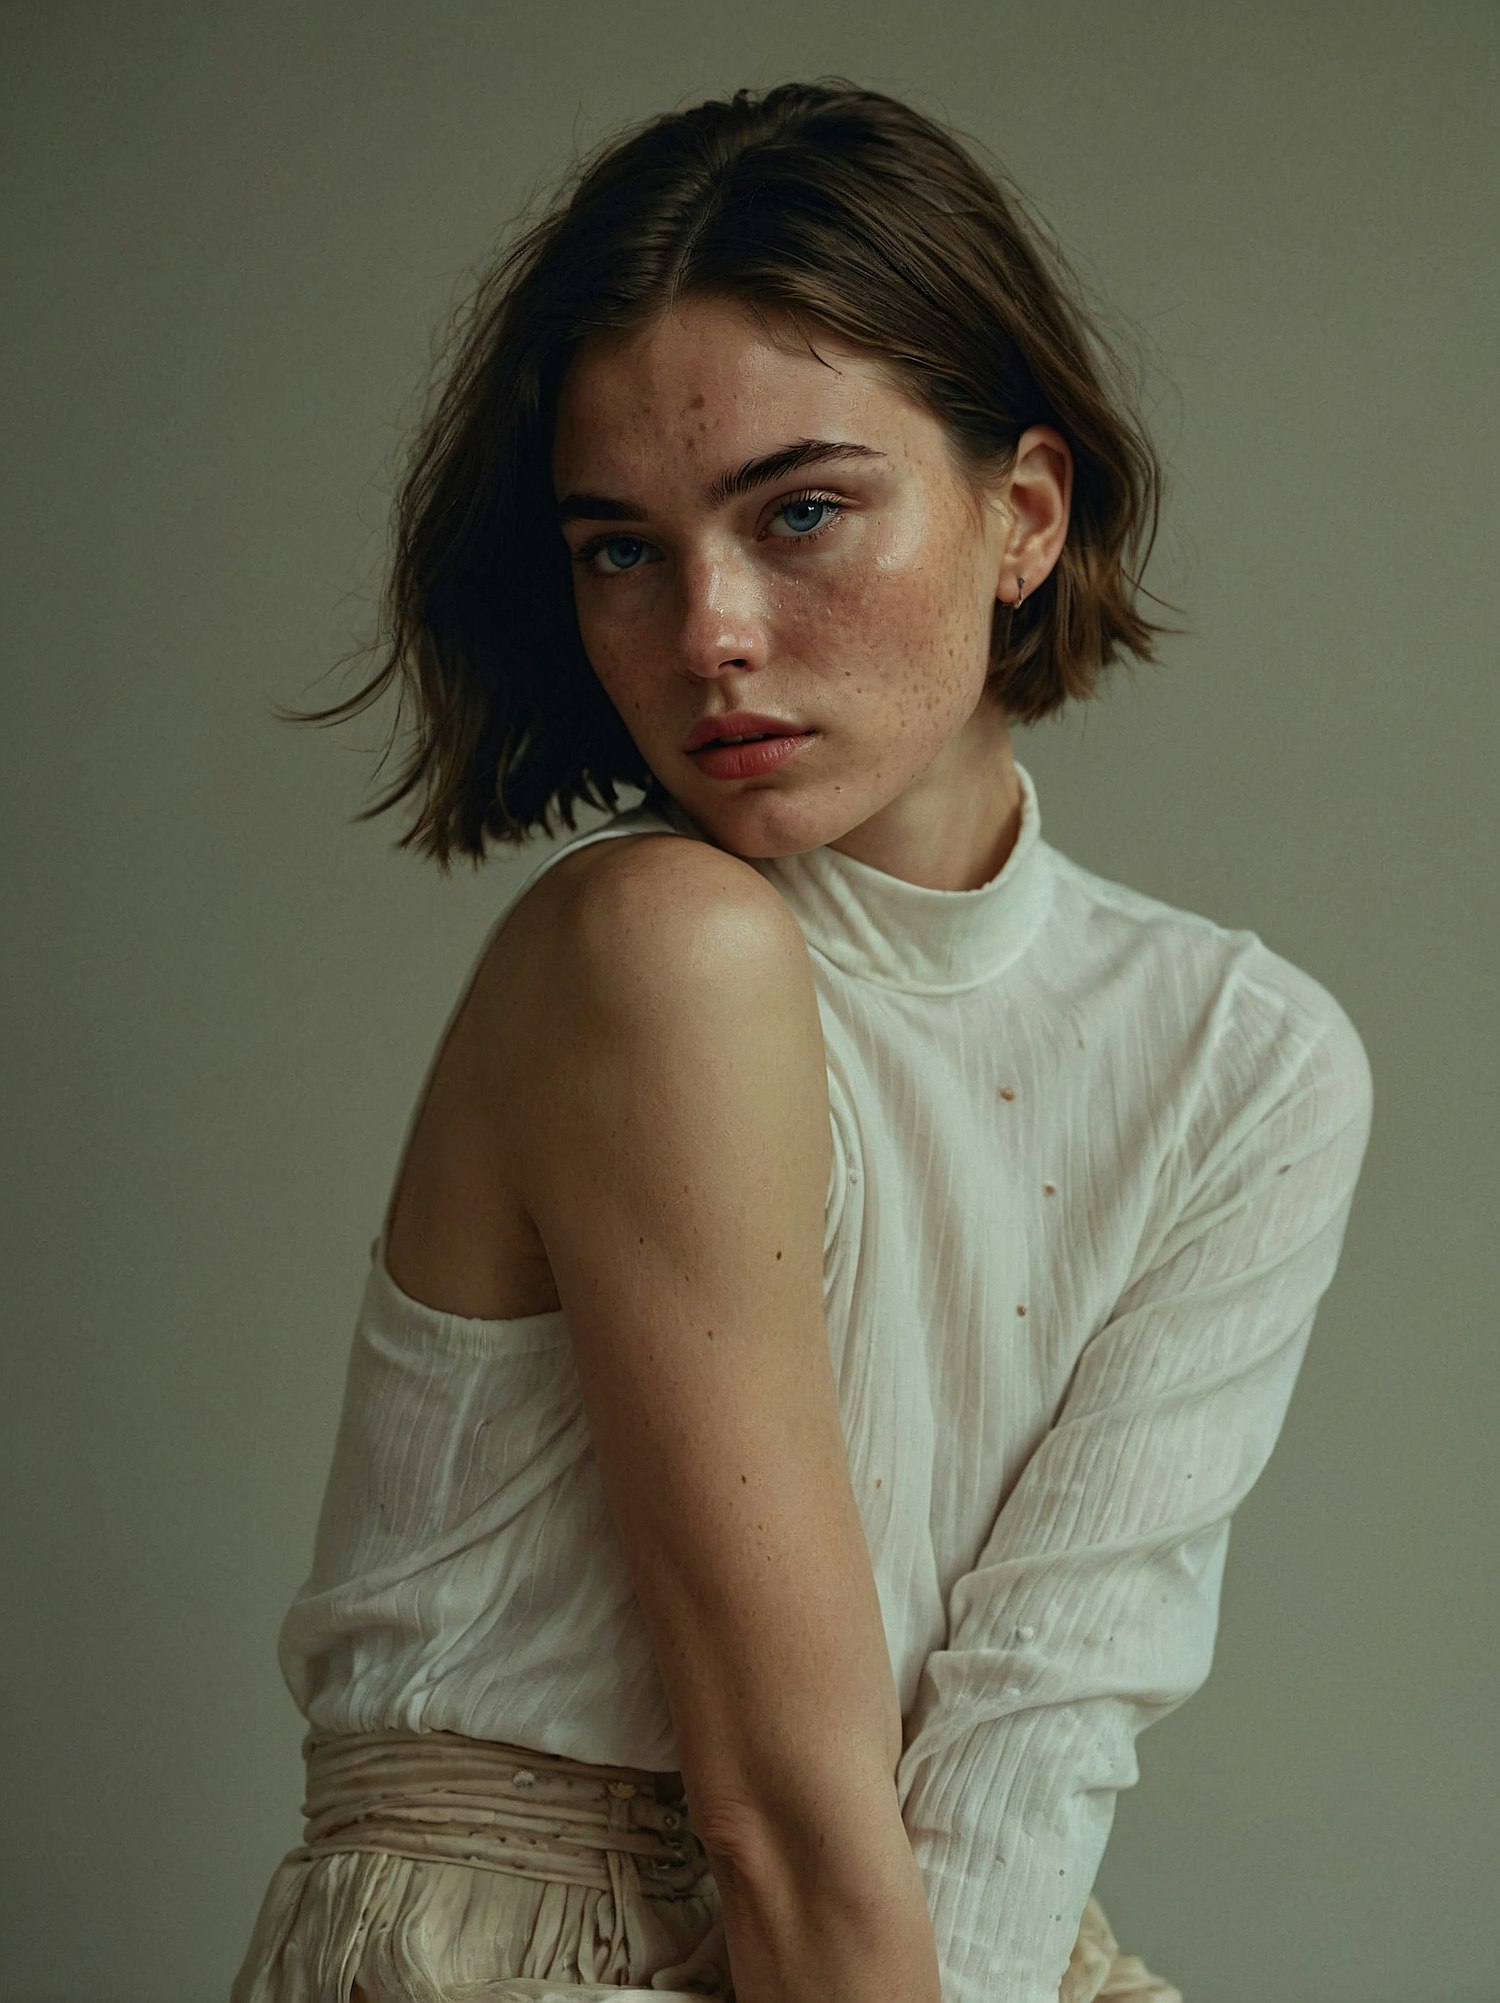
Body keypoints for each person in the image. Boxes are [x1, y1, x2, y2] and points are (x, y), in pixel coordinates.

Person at [232, 78, 1373, 2003]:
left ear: (1023, 512)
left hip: (930, 1940)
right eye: (623, 549)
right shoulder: (660, 947)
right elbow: (777, 1800)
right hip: (547, 1947)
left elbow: (1041, 1726)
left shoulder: (1243, 1060)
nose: (711, 634)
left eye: (805, 511)